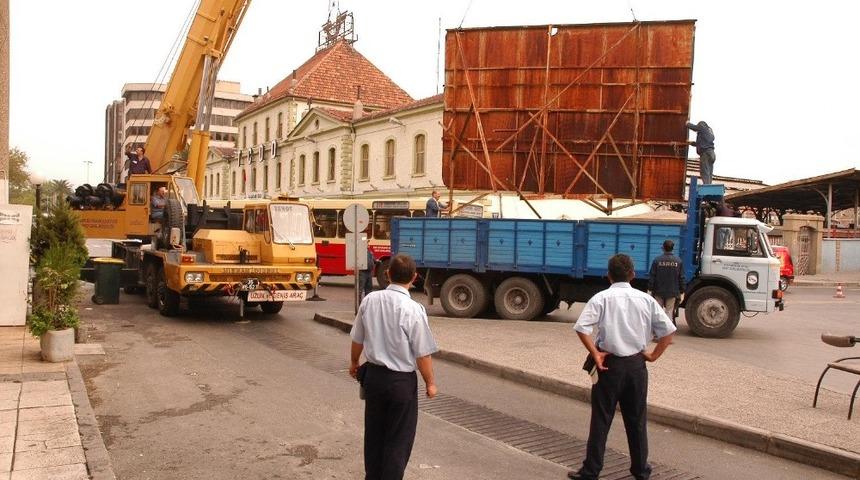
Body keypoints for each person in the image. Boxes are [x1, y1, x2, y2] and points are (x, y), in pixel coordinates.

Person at [568, 254, 676, 480]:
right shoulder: (646, 300)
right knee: (636, 420)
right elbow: (668, 332)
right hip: (637, 366)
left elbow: (582, 327)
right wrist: (654, 356)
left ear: (608, 276)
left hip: (609, 365)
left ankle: (591, 471)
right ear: (633, 275)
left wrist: (595, 353)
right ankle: (640, 471)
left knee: (601, 419)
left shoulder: (601, 298)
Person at [349, 254, 438, 480]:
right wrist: (430, 383)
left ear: (387, 274)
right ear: (415, 277)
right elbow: (422, 354)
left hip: (374, 379)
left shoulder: (369, 300)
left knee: (374, 435)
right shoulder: (414, 309)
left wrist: (354, 362)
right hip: (401, 384)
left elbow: (357, 338)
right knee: (398, 439)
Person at [648, 240, 685, 321]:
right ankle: (668, 331)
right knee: (669, 312)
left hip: (658, 291)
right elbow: (681, 278)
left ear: (663, 248)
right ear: (673, 249)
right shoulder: (678, 261)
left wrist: (650, 289)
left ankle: (657, 331)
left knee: (658, 312)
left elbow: (652, 276)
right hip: (672, 292)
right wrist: (682, 291)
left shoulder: (657, 260)